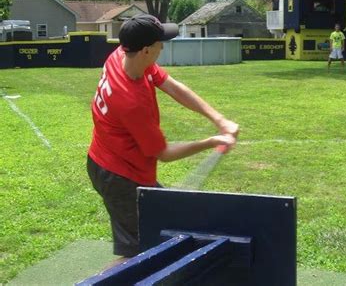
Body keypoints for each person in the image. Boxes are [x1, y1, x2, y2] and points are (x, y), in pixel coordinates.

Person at [87, 14, 239, 267]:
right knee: (139, 252)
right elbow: (164, 153)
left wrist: (219, 119)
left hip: (115, 162)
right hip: (119, 176)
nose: (163, 46)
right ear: (147, 50)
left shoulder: (124, 55)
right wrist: (212, 141)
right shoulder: (131, 101)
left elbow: (172, 86)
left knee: (163, 229)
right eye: (160, 42)